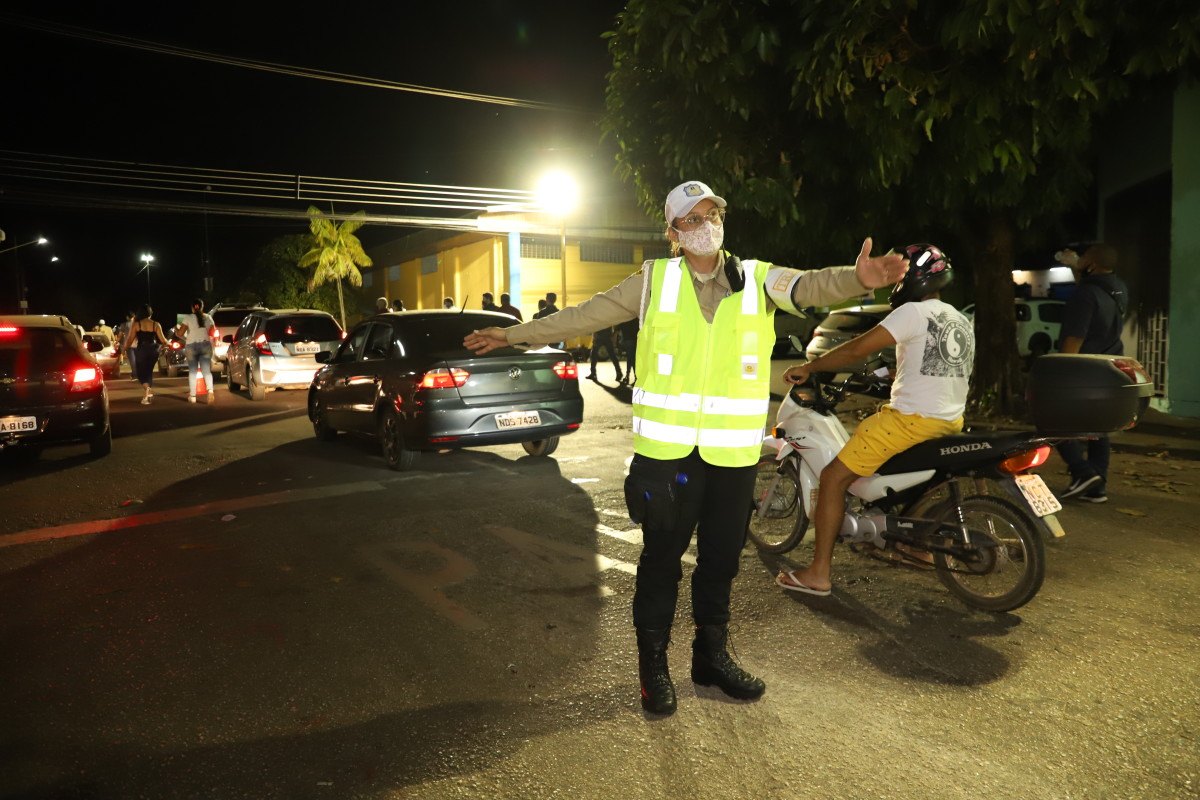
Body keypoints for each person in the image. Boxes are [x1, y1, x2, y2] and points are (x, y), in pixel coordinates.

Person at [464, 180, 907, 715]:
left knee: (721, 562)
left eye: (712, 213)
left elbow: (811, 287)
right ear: (673, 233)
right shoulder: (654, 281)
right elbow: (585, 315)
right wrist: (513, 336)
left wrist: (857, 278)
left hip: (733, 459)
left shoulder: (760, 279)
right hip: (667, 457)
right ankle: (653, 667)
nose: (706, 224)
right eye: (692, 219)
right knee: (660, 563)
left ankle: (710, 658)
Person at [775, 244, 974, 596]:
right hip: (950, 421)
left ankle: (818, 572)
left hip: (909, 422)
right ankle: (914, 544)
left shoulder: (912, 312)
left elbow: (855, 350)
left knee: (834, 478)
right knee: (909, 484)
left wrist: (810, 366)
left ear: (912, 278)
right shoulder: (958, 318)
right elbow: (937, 368)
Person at [1054, 243, 1128, 503]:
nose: (1079, 260)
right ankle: (1097, 485)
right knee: (1099, 427)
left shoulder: (1084, 294)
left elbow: (1075, 336)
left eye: (1083, 258)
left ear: (1092, 264)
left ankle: (1082, 472)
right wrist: (1076, 269)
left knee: (1053, 419)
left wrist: (1061, 372)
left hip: (1082, 369)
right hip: (1109, 367)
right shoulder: (1118, 287)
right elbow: (1094, 291)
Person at [124, 304, 170, 405]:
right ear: (150, 313)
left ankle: (147, 391)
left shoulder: (136, 324)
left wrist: (124, 349)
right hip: (154, 350)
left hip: (141, 350)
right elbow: (163, 340)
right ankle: (148, 390)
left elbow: (129, 340)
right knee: (148, 371)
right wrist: (169, 343)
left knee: (140, 372)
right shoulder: (156, 324)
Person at [176, 298, 218, 404]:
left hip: (191, 346)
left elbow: (180, 334)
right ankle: (210, 391)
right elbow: (213, 332)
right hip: (205, 345)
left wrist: (176, 330)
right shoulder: (208, 317)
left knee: (193, 371)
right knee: (206, 371)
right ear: (202, 307)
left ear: (192, 307)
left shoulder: (188, 318)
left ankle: (193, 396)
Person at [616, 317, 639, 386]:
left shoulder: (625, 317)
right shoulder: (634, 318)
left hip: (629, 340)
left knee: (632, 359)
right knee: (630, 359)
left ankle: (635, 378)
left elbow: (619, 327)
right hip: (633, 340)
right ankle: (628, 376)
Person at [114, 311, 134, 378]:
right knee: (138, 358)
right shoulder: (137, 323)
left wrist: (116, 341)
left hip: (129, 344)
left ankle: (135, 373)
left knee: (132, 359)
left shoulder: (124, 324)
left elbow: (119, 335)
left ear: (127, 317)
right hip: (138, 343)